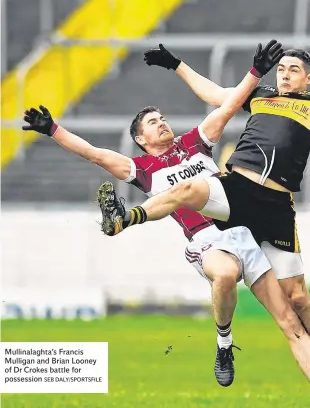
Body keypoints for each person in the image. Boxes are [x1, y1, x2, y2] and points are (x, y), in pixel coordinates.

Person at [22, 41, 310, 384]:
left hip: (244, 226)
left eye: (162, 118)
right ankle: (222, 340)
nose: (161, 123)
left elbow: (227, 103)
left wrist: (247, 72)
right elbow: (95, 154)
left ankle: (127, 220)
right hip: (208, 237)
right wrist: (54, 130)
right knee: (223, 270)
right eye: (152, 122)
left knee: (294, 315)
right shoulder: (141, 168)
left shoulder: (195, 141)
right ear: (140, 139)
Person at [107, 44, 310, 335]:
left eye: (294, 70)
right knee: (187, 190)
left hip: (277, 200)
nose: (285, 75)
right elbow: (213, 93)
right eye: (281, 69)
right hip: (240, 189)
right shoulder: (260, 94)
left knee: (299, 297)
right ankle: (129, 217)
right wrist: (176, 64)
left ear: (308, 79)